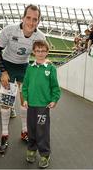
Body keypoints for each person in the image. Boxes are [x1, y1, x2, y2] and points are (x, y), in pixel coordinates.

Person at [0, 4, 46, 151]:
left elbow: (40, 58)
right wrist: (3, 71)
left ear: (38, 21)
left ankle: (24, 131)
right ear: (23, 17)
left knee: (25, 101)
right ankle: (4, 135)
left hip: (24, 68)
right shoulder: (9, 31)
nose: (31, 22)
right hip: (8, 66)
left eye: (35, 19)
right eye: (28, 18)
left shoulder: (40, 37)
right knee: (7, 102)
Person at [22, 40, 61, 168]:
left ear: (47, 52)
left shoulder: (50, 68)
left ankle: (45, 154)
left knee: (42, 131)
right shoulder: (30, 68)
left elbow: (55, 87)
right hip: (31, 105)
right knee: (31, 129)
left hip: (43, 106)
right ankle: (31, 149)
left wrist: (54, 100)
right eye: (38, 51)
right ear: (34, 52)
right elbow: (25, 86)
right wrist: (25, 99)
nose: (40, 53)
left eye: (43, 51)